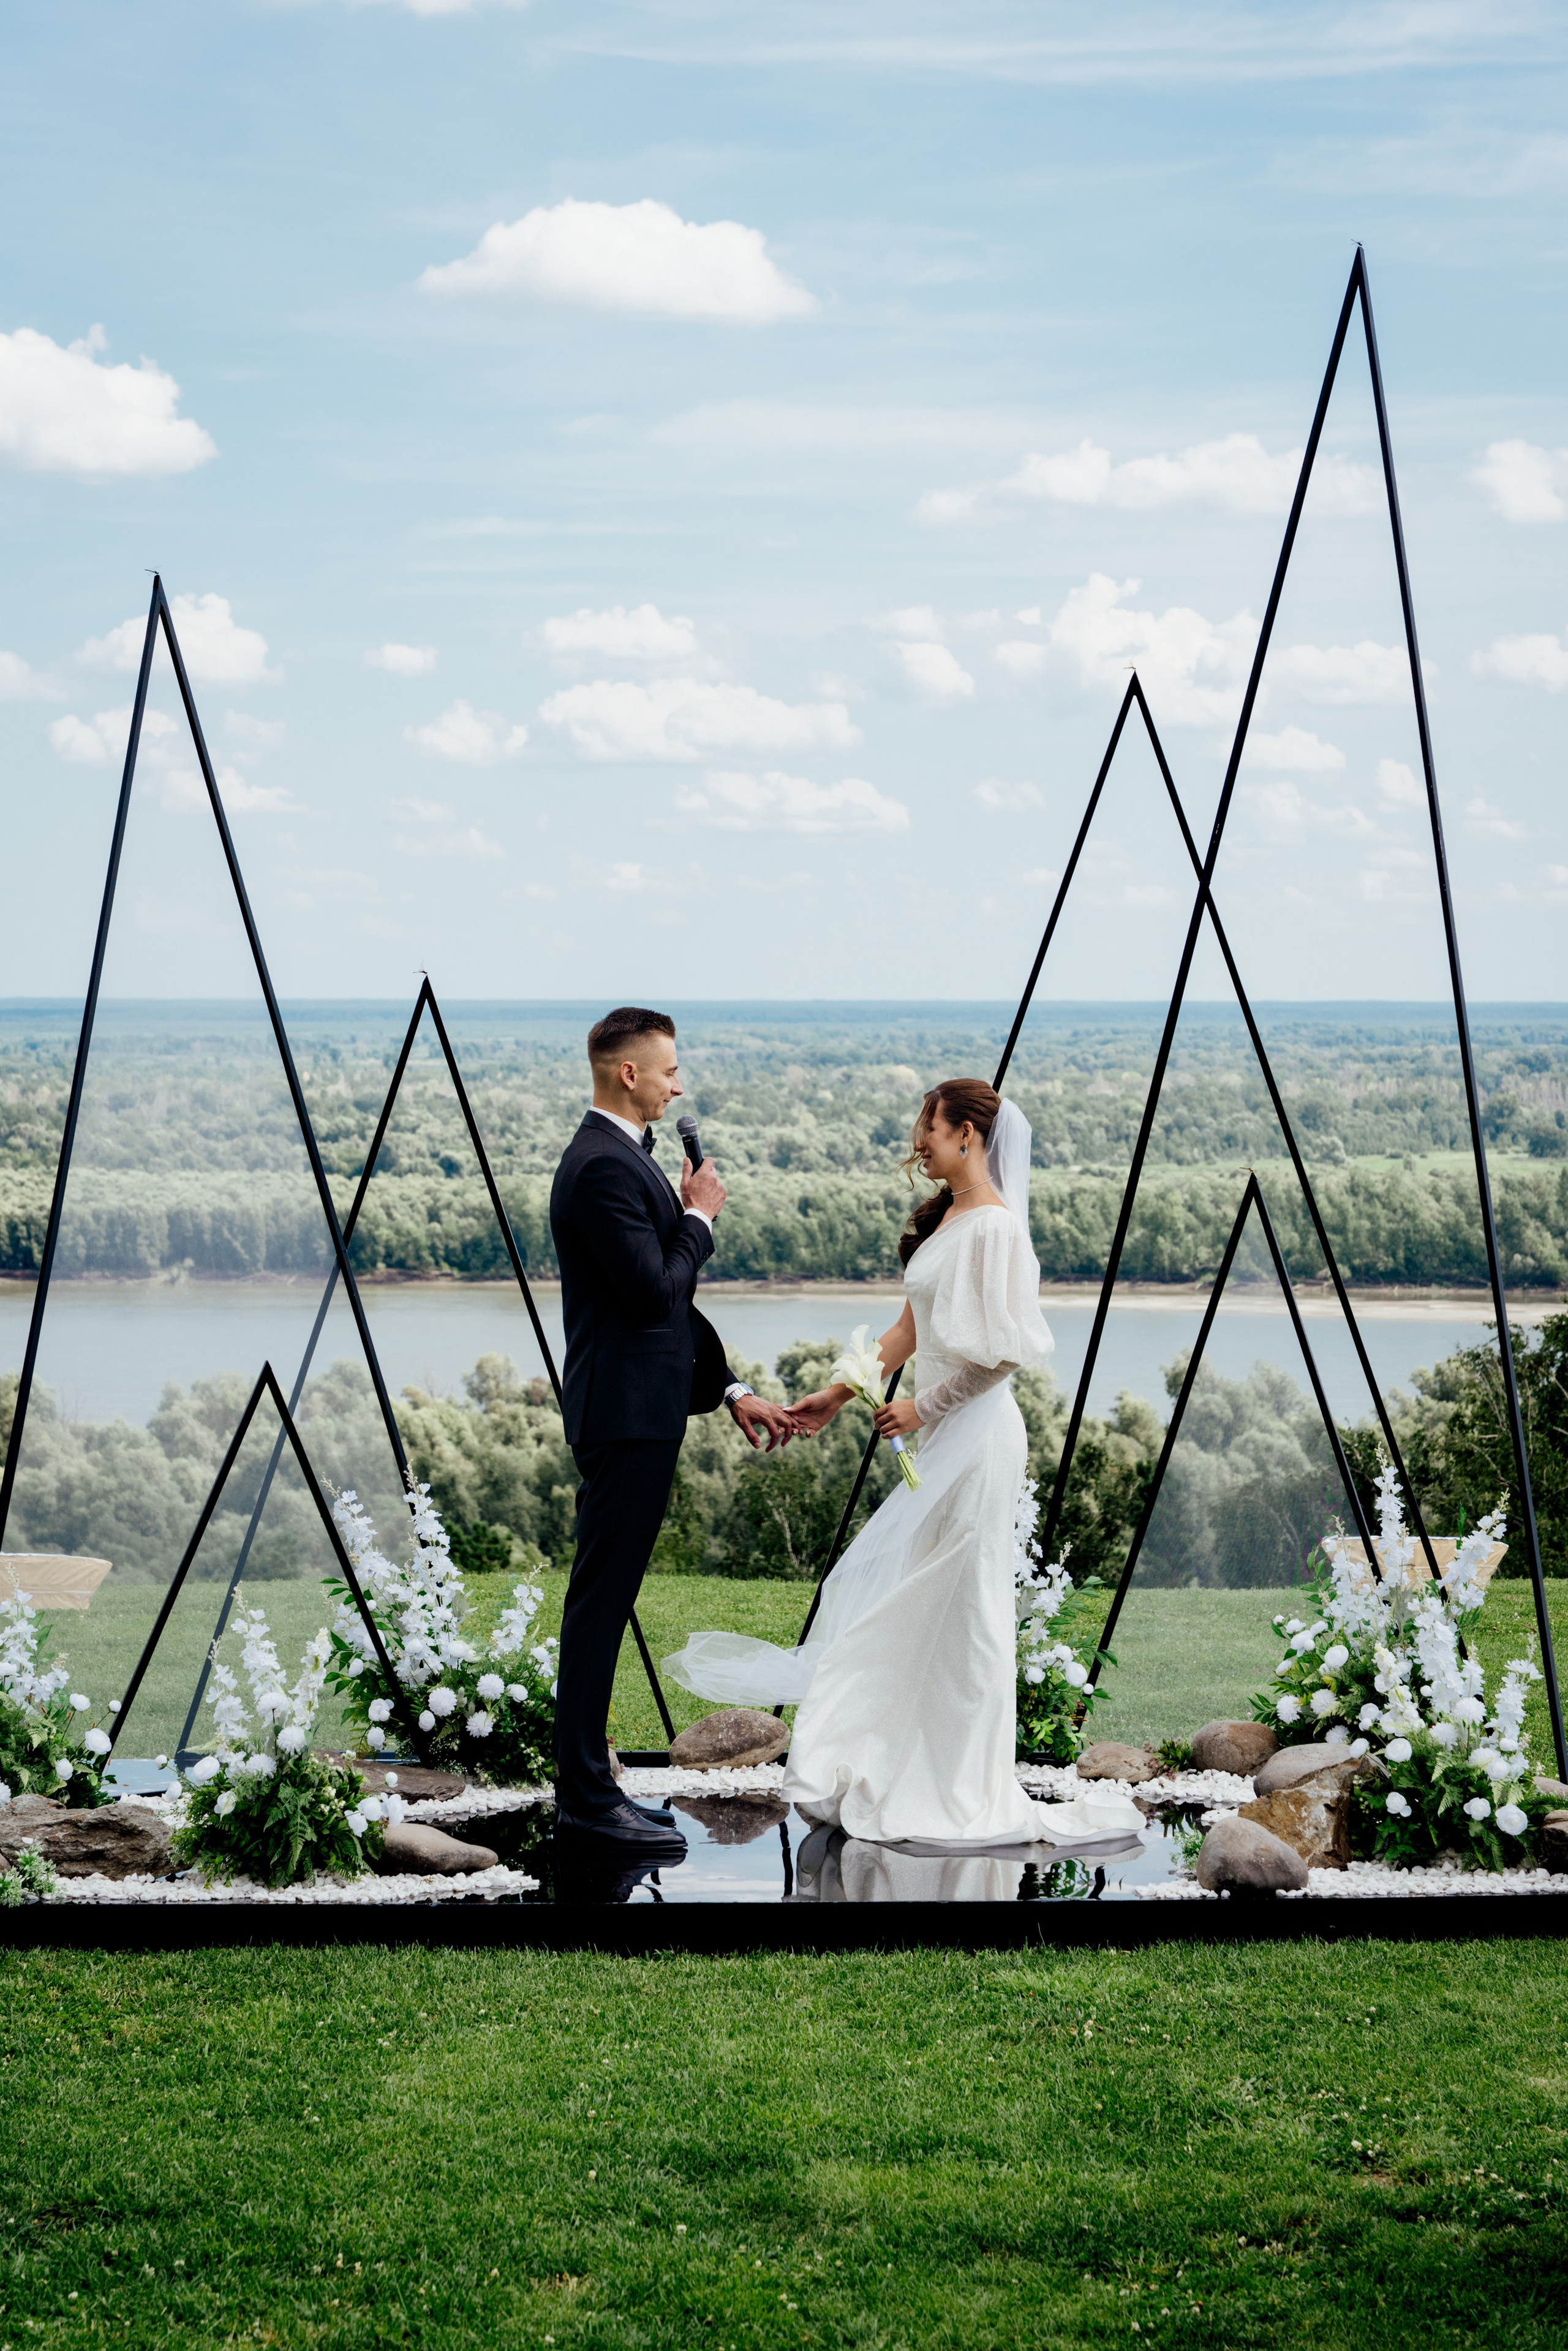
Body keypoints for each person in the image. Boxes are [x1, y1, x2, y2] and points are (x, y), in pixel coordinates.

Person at [663, 1079, 1056, 1848]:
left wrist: (921, 1408)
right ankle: (903, 1766)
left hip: (976, 1439)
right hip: (945, 1436)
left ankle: (957, 1785)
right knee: (924, 1606)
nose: (920, 1142)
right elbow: (911, 1328)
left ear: (970, 1135)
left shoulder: (999, 1231)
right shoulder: (951, 1219)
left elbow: (1004, 1354)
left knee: (960, 1610)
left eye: (930, 1129)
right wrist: (838, 1394)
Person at [549, 1005, 794, 1854]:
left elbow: (663, 1315)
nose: (678, 1084)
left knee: (608, 1604)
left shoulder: (627, 1160)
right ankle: (584, 1800)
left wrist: (730, 1390)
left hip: (644, 1411)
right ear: (629, 1074)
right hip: (621, 1419)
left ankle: (594, 1788)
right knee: (598, 1607)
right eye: (669, 1070)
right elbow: (657, 1289)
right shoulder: (599, 1168)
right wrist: (702, 1219)